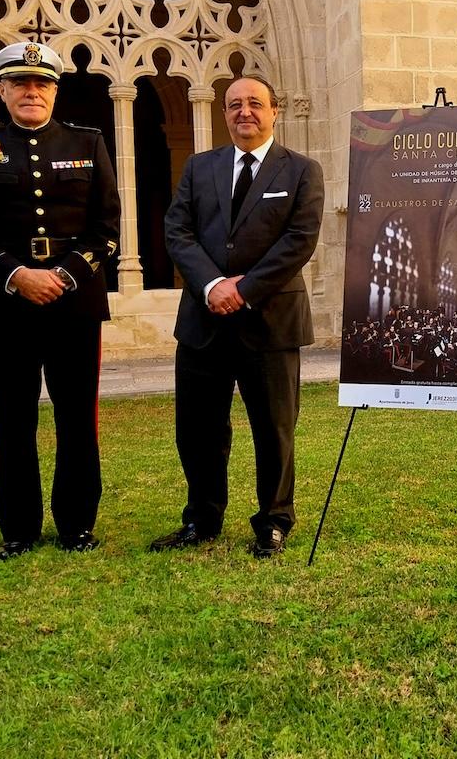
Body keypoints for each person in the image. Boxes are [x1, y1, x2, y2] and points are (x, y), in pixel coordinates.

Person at [0, 41, 120, 559]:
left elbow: (107, 229)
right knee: (13, 417)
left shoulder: (88, 142)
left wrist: (63, 276)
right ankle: (19, 527)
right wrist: (16, 275)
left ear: (54, 89)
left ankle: (76, 524)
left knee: (76, 417)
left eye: (41, 83)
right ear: (1, 90)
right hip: (7, 307)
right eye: (19, 83)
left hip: (74, 306)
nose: (31, 91)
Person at [150, 76, 324, 557]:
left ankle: (274, 520)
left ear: (274, 112)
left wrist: (242, 289)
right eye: (234, 105)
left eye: (254, 104)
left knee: (274, 428)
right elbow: (177, 230)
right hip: (204, 322)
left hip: (270, 321)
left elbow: (299, 241)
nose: (244, 112)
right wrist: (211, 286)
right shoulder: (198, 167)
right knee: (198, 429)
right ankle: (202, 519)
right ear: (223, 114)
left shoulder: (302, 171)